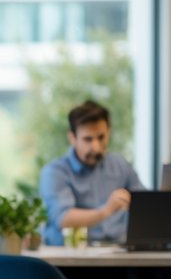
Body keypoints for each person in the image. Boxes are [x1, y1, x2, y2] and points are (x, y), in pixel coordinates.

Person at [39, 101, 145, 246]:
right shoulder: (55, 172)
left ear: (109, 132)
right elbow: (63, 219)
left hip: (117, 254)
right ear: (72, 138)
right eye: (88, 139)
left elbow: (146, 204)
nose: (95, 147)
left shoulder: (121, 165)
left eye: (101, 137)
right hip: (73, 258)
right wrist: (107, 210)